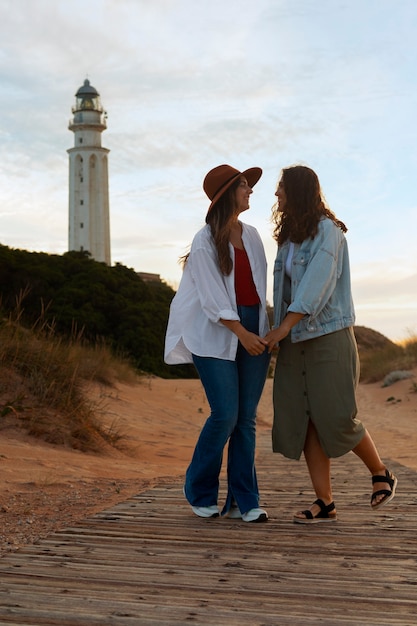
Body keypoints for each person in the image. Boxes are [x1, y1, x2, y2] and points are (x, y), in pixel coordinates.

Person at [264, 165, 397, 524]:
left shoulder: (329, 233)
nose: (276, 195)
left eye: (281, 189)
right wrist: (278, 330)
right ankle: (325, 502)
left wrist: (282, 328)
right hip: (294, 340)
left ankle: (381, 472)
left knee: (336, 416)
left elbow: (315, 288)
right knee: (305, 421)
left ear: (298, 191)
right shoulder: (288, 237)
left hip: (328, 338)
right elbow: (282, 290)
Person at [164, 164, 271, 523]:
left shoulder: (253, 235)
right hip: (214, 334)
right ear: (228, 194)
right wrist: (242, 333)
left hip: (253, 325)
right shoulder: (204, 239)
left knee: (245, 419)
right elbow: (212, 299)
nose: (251, 191)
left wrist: (266, 332)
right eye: (244, 186)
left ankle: (246, 499)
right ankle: (199, 488)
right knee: (225, 413)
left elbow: (258, 290)